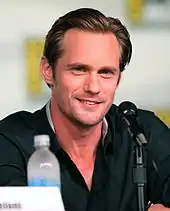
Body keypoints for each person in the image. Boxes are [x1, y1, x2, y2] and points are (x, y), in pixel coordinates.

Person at [0, 7, 170, 211]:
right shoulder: (9, 140)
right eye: (79, 69)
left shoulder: (142, 132)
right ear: (48, 71)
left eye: (106, 72)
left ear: (118, 79)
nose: (93, 87)